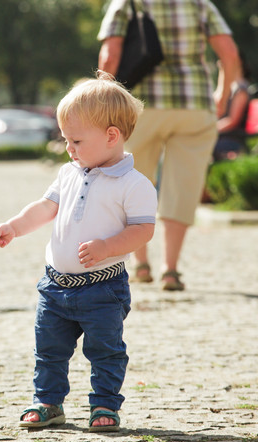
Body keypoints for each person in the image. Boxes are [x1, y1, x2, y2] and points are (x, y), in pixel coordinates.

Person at [0, 73, 157, 432]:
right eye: (66, 140)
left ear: (112, 136)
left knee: (106, 351)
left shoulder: (134, 184)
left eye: (76, 140)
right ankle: (48, 402)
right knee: (48, 350)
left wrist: (108, 247)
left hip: (103, 289)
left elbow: (144, 230)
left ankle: (105, 405)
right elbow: (44, 208)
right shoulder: (68, 173)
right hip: (55, 286)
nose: (69, 148)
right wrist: (14, 227)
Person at [98, 0, 241, 291]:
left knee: (132, 181)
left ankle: (140, 264)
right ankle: (171, 269)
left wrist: (102, 102)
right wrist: (222, 95)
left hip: (138, 107)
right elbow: (229, 53)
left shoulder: (127, 2)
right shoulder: (200, 4)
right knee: (182, 187)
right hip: (194, 105)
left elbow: (110, 56)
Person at [213, 55, 252, 160]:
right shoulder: (233, 88)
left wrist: (210, 129)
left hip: (231, 139)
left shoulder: (240, 90)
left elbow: (232, 121)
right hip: (225, 137)